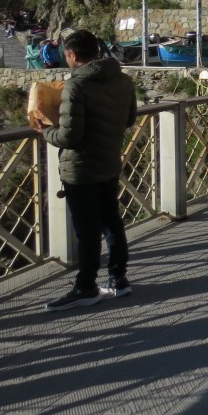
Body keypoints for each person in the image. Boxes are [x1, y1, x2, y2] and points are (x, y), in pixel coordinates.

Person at [34, 29, 137, 311]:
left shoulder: (76, 86)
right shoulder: (123, 80)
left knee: (87, 230)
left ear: (72, 55)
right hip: (109, 161)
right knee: (111, 221)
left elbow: (69, 136)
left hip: (81, 167)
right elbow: (129, 119)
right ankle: (119, 279)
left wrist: (45, 132)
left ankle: (86, 287)